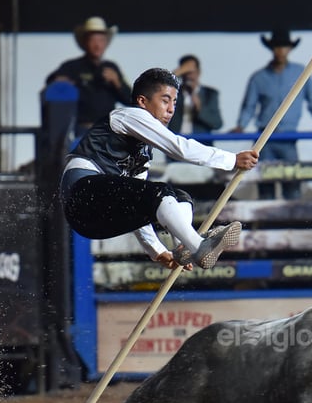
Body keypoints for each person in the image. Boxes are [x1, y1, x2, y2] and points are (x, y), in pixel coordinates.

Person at [60, 68, 259, 270]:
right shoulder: (129, 115)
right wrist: (230, 159)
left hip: (99, 221)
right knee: (159, 192)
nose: (171, 109)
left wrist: (157, 250)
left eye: (174, 102)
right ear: (142, 101)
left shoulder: (143, 154)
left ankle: (184, 246)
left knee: (178, 196)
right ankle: (198, 246)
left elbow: (141, 202)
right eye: (165, 100)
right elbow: (179, 148)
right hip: (81, 197)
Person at [230, 29, 312, 199]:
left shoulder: (301, 73)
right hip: (264, 140)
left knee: (292, 182)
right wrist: (241, 125)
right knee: (265, 183)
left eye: (284, 47)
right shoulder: (259, 77)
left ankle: (294, 223)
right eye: (277, 47)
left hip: (289, 138)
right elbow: (249, 105)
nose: (281, 51)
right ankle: (266, 222)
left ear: (290, 49)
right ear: (272, 49)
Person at [45, 16, 133, 138]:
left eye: (101, 40)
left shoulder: (111, 67)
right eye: (93, 40)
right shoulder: (72, 67)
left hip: (108, 131)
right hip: (83, 131)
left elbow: (130, 100)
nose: (97, 45)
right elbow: (51, 83)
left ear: (106, 43)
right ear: (85, 42)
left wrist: (117, 82)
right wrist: (63, 83)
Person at [167, 54, 223, 145]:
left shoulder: (210, 94)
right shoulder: (173, 93)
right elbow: (159, 87)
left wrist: (200, 108)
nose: (189, 75)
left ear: (199, 72)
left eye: (192, 71)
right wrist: (176, 73)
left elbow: (217, 124)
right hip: (176, 145)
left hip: (202, 146)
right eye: (186, 71)